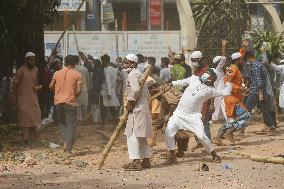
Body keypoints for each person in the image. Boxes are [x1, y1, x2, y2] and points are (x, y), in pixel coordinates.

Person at [164, 68, 232, 164]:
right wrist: (171, 83)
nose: (205, 75)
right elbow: (182, 82)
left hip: (193, 117)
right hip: (179, 114)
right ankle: (172, 156)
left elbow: (226, 92)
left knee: (201, 136)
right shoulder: (194, 79)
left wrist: (228, 80)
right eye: (206, 73)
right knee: (168, 131)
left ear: (212, 79)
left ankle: (214, 154)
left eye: (208, 74)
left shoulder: (211, 90)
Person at [122, 54, 152, 171]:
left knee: (132, 135)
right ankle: (146, 160)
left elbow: (135, 90)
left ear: (133, 64)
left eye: (127, 63)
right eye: (124, 62)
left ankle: (136, 161)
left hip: (137, 108)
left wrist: (130, 103)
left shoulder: (133, 74)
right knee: (141, 135)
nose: (124, 65)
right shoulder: (138, 73)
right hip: (142, 107)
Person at [49, 55, 82, 154]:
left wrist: (57, 94)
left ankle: (65, 144)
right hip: (71, 102)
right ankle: (68, 149)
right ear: (75, 63)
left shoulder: (57, 73)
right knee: (71, 126)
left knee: (63, 124)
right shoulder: (77, 74)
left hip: (58, 102)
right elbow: (79, 91)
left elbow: (50, 86)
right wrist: (72, 94)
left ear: (64, 63)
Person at [214, 52, 250, 144]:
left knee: (231, 120)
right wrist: (239, 88)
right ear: (237, 60)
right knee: (246, 116)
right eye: (241, 59)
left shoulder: (234, 68)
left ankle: (218, 137)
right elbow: (227, 82)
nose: (242, 61)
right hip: (232, 99)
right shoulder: (232, 68)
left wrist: (242, 90)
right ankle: (229, 132)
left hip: (235, 97)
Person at [12, 52, 42, 144]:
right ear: (26, 60)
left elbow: (35, 83)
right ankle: (26, 138)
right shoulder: (20, 71)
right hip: (22, 98)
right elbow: (15, 85)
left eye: (34, 60)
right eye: (31, 60)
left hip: (33, 98)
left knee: (35, 116)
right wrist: (13, 97)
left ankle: (31, 137)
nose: (33, 62)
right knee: (24, 118)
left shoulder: (36, 70)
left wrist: (38, 87)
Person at [245, 51, 277, 135]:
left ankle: (240, 129)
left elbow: (259, 81)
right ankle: (272, 127)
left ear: (249, 57)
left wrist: (260, 93)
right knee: (265, 110)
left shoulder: (256, 65)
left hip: (257, 92)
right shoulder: (260, 64)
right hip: (261, 91)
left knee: (246, 109)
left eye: (247, 59)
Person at [100, 54, 120, 123]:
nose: (102, 63)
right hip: (112, 89)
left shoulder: (107, 70)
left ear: (105, 61)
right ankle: (115, 120)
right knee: (112, 106)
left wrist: (109, 93)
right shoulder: (114, 69)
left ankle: (103, 121)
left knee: (104, 106)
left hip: (107, 90)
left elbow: (108, 81)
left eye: (102, 61)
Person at [74, 55, 90, 121]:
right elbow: (88, 80)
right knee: (84, 105)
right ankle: (84, 119)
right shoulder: (85, 69)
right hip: (84, 89)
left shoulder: (72, 69)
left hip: (75, 89)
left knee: (76, 106)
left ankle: (77, 119)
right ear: (78, 60)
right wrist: (88, 88)